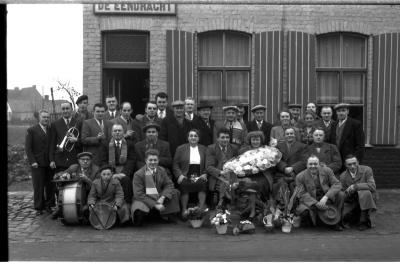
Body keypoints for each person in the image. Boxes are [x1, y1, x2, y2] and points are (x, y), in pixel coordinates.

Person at [293, 155, 345, 231]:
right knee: (304, 211)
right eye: (310, 164)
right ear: (306, 165)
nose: (313, 166)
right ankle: (314, 221)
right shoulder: (300, 176)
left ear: (319, 164)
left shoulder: (327, 170)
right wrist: (316, 203)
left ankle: (336, 220)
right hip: (310, 200)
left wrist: (326, 197)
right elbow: (301, 193)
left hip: (325, 197)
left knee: (341, 194)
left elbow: (337, 184)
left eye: (315, 164)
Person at [131, 149, 181, 226]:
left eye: (155, 160)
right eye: (150, 160)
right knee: (139, 211)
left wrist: (163, 197)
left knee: (174, 192)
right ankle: (151, 216)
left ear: (158, 160)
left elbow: (169, 185)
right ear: (145, 160)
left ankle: (166, 215)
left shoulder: (162, 170)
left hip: (159, 195)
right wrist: (155, 204)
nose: (153, 162)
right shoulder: (138, 174)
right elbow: (139, 194)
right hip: (145, 197)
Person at [51, 152, 99, 220]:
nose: (85, 161)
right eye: (83, 159)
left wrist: (87, 180)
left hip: (89, 194)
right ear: (79, 160)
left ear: (91, 160)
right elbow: (62, 174)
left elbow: (97, 187)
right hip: (74, 194)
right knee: (62, 190)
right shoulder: (74, 167)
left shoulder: (96, 169)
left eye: (87, 159)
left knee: (85, 211)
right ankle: (61, 207)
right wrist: (60, 176)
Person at [237, 131, 273, 220]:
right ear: (250, 140)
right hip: (247, 174)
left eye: (257, 139)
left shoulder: (266, 151)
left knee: (255, 185)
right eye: (253, 140)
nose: (255, 142)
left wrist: (264, 166)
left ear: (261, 140)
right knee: (249, 183)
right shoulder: (243, 151)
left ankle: (251, 210)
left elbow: (271, 165)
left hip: (263, 175)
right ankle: (253, 210)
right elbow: (239, 164)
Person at [25, 109, 55, 215]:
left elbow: (52, 146)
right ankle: (39, 207)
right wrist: (32, 161)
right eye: (44, 117)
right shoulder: (32, 130)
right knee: (38, 186)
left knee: (50, 186)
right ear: (39, 118)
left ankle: (49, 206)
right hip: (37, 163)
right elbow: (28, 148)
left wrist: (52, 160)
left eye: (47, 117)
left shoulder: (51, 130)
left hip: (49, 163)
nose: (46, 119)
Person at [173, 129, 208, 219]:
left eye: (195, 136)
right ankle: (184, 211)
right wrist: (179, 175)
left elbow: (208, 164)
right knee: (184, 185)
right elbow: (175, 164)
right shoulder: (180, 148)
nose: (193, 137)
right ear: (187, 138)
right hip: (186, 174)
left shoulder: (204, 149)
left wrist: (205, 174)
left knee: (203, 184)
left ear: (199, 138)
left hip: (199, 174)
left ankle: (200, 210)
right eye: (191, 135)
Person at [100, 124, 136, 204]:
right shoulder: (106, 143)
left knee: (126, 181)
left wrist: (124, 173)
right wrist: (111, 173)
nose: (117, 132)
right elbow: (103, 160)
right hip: (111, 170)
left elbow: (132, 160)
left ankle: (127, 205)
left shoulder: (129, 143)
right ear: (111, 133)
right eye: (115, 131)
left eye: (119, 131)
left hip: (125, 170)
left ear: (123, 132)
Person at [340, 155, 377, 231]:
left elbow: (372, 186)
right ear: (345, 165)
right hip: (352, 199)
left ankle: (363, 221)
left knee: (365, 192)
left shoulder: (367, 170)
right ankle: (355, 214)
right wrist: (347, 192)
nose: (352, 166)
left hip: (367, 197)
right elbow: (343, 192)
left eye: (354, 163)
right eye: (349, 164)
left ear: (358, 162)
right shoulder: (343, 176)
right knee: (342, 218)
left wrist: (356, 186)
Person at [206, 127, 239, 208]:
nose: (225, 140)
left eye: (227, 137)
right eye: (222, 137)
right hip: (217, 176)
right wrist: (221, 172)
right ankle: (225, 203)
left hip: (232, 175)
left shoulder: (234, 148)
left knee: (234, 182)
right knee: (226, 182)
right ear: (217, 138)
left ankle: (224, 203)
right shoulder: (211, 148)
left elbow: (237, 164)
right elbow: (209, 167)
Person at [275, 127, 307, 197]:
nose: (289, 135)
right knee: (281, 186)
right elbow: (276, 160)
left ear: (295, 135)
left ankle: (295, 205)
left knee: (296, 188)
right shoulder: (278, 146)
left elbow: (304, 160)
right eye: (287, 134)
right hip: (282, 173)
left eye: (291, 133)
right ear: (284, 136)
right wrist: (284, 167)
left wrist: (293, 168)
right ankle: (282, 205)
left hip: (297, 173)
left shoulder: (302, 146)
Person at [49, 102, 80, 173]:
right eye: (63, 109)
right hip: (60, 160)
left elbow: (83, 141)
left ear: (72, 109)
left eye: (67, 108)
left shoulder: (78, 122)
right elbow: (52, 143)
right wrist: (51, 160)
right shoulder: (55, 124)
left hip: (74, 159)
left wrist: (76, 140)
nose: (65, 111)